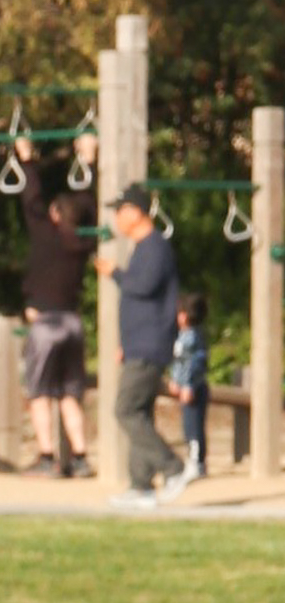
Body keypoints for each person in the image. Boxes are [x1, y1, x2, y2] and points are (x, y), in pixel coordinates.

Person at [10, 134, 95, 475]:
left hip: (45, 324)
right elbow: (88, 204)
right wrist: (89, 160)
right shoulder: (82, 242)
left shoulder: (46, 235)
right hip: (72, 322)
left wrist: (27, 158)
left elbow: (31, 199)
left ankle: (47, 456)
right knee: (70, 394)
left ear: (56, 214)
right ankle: (80, 456)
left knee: (40, 392)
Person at [97, 183, 182, 506]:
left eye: (120, 211)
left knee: (126, 409)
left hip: (151, 345)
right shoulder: (143, 247)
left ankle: (173, 467)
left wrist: (115, 274)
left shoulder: (155, 247)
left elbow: (143, 287)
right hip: (139, 344)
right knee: (140, 412)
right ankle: (141, 487)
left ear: (135, 212)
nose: (117, 218)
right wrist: (126, 343)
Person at [172, 289, 211, 486]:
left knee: (194, 427)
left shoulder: (192, 338)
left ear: (185, 316)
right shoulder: (183, 335)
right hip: (186, 387)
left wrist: (187, 385)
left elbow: (192, 364)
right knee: (188, 426)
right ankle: (195, 460)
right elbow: (179, 363)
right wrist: (175, 380)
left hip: (194, 389)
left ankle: (197, 462)